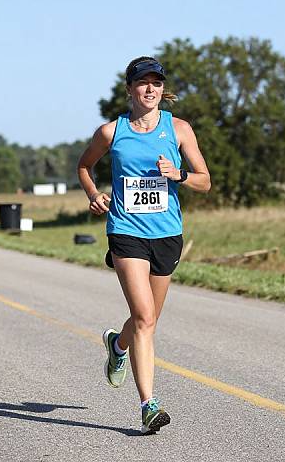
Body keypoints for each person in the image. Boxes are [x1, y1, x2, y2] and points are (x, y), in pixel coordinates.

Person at [77, 56, 211, 434]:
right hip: (126, 231)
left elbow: (205, 180)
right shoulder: (111, 132)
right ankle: (148, 405)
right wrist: (93, 194)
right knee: (145, 318)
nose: (150, 89)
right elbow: (84, 166)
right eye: (142, 83)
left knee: (146, 319)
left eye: (156, 83)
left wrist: (179, 174)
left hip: (167, 234)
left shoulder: (179, 129)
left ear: (162, 90)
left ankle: (118, 346)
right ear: (129, 90)